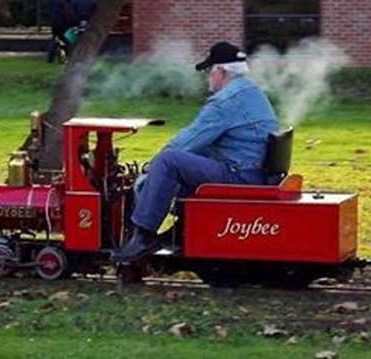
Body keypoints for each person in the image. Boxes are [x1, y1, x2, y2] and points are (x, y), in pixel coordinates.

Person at [111, 41, 279, 262]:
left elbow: (189, 140)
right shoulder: (251, 91)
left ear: (221, 71)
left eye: (210, 71)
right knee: (191, 161)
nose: (208, 76)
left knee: (168, 161)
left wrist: (151, 166)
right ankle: (180, 232)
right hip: (256, 171)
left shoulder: (224, 102)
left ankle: (143, 236)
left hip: (242, 175)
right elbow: (202, 142)